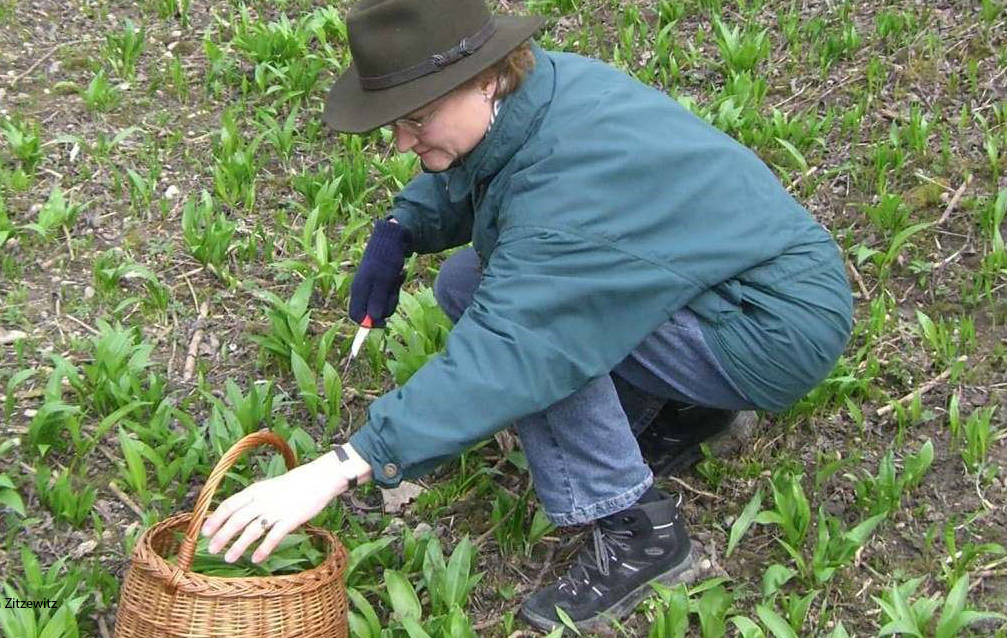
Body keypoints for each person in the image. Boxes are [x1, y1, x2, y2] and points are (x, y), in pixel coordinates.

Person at [199, 0, 853, 630]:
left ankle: (642, 533)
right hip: (733, 282)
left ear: (483, 78)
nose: (402, 141)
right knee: (467, 279)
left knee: (533, 338)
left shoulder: (569, 190)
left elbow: (512, 352)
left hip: (768, 324)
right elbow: (491, 159)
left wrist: (344, 463)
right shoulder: (534, 89)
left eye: (416, 119)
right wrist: (402, 227)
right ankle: (689, 410)